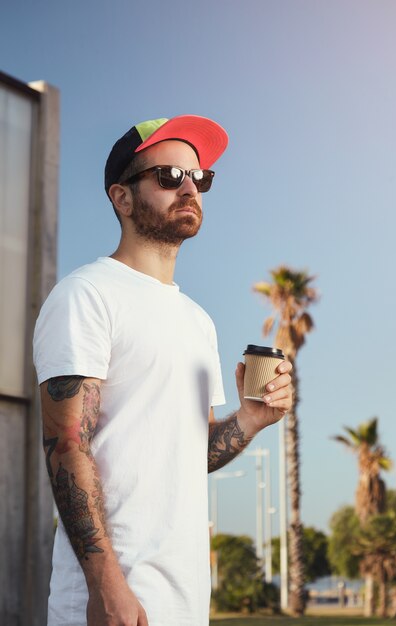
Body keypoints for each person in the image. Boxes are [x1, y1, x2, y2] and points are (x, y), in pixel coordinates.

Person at [33, 115, 293, 626]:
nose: (190, 187)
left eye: (200, 178)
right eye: (170, 177)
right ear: (122, 198)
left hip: (185, 600)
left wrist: (249, 421)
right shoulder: (87, 295)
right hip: (111, 601)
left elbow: (183, 457)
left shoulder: (198, 321)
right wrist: (107, 586)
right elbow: (66, 446)